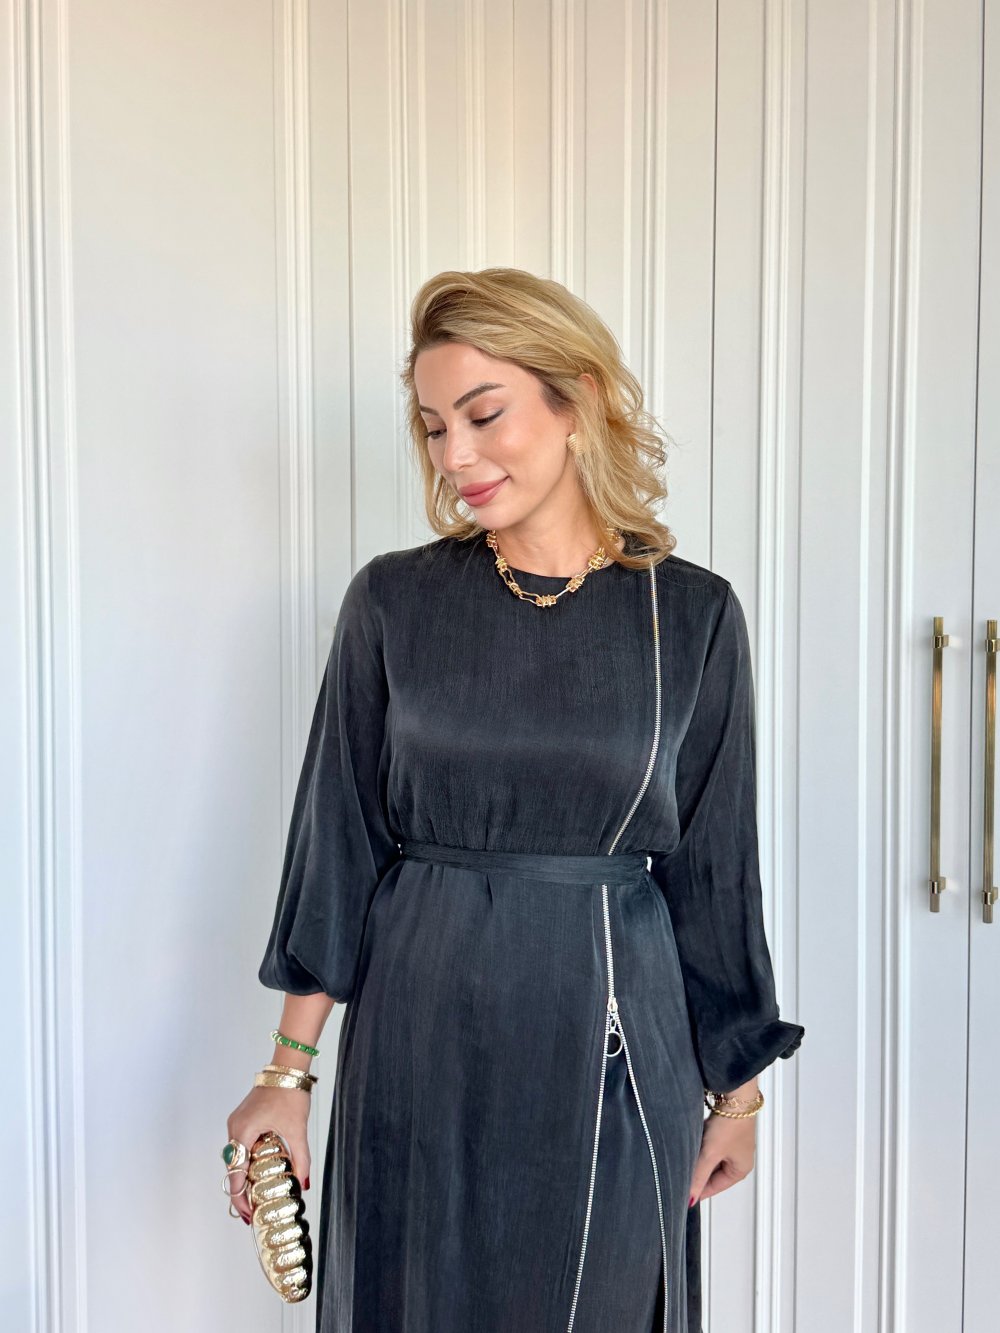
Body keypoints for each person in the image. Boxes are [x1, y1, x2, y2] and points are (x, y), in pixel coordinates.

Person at [222, 266, 804, 1332]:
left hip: (612, 1039)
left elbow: (715, 873)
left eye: (483, 415)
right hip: (418, 1033)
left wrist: (738, 1092)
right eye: (434, 425)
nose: (455, 455)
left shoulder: (690, 617)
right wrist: (287, 1074)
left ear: (577, 400)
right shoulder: (394, 600)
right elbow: (337, 842)